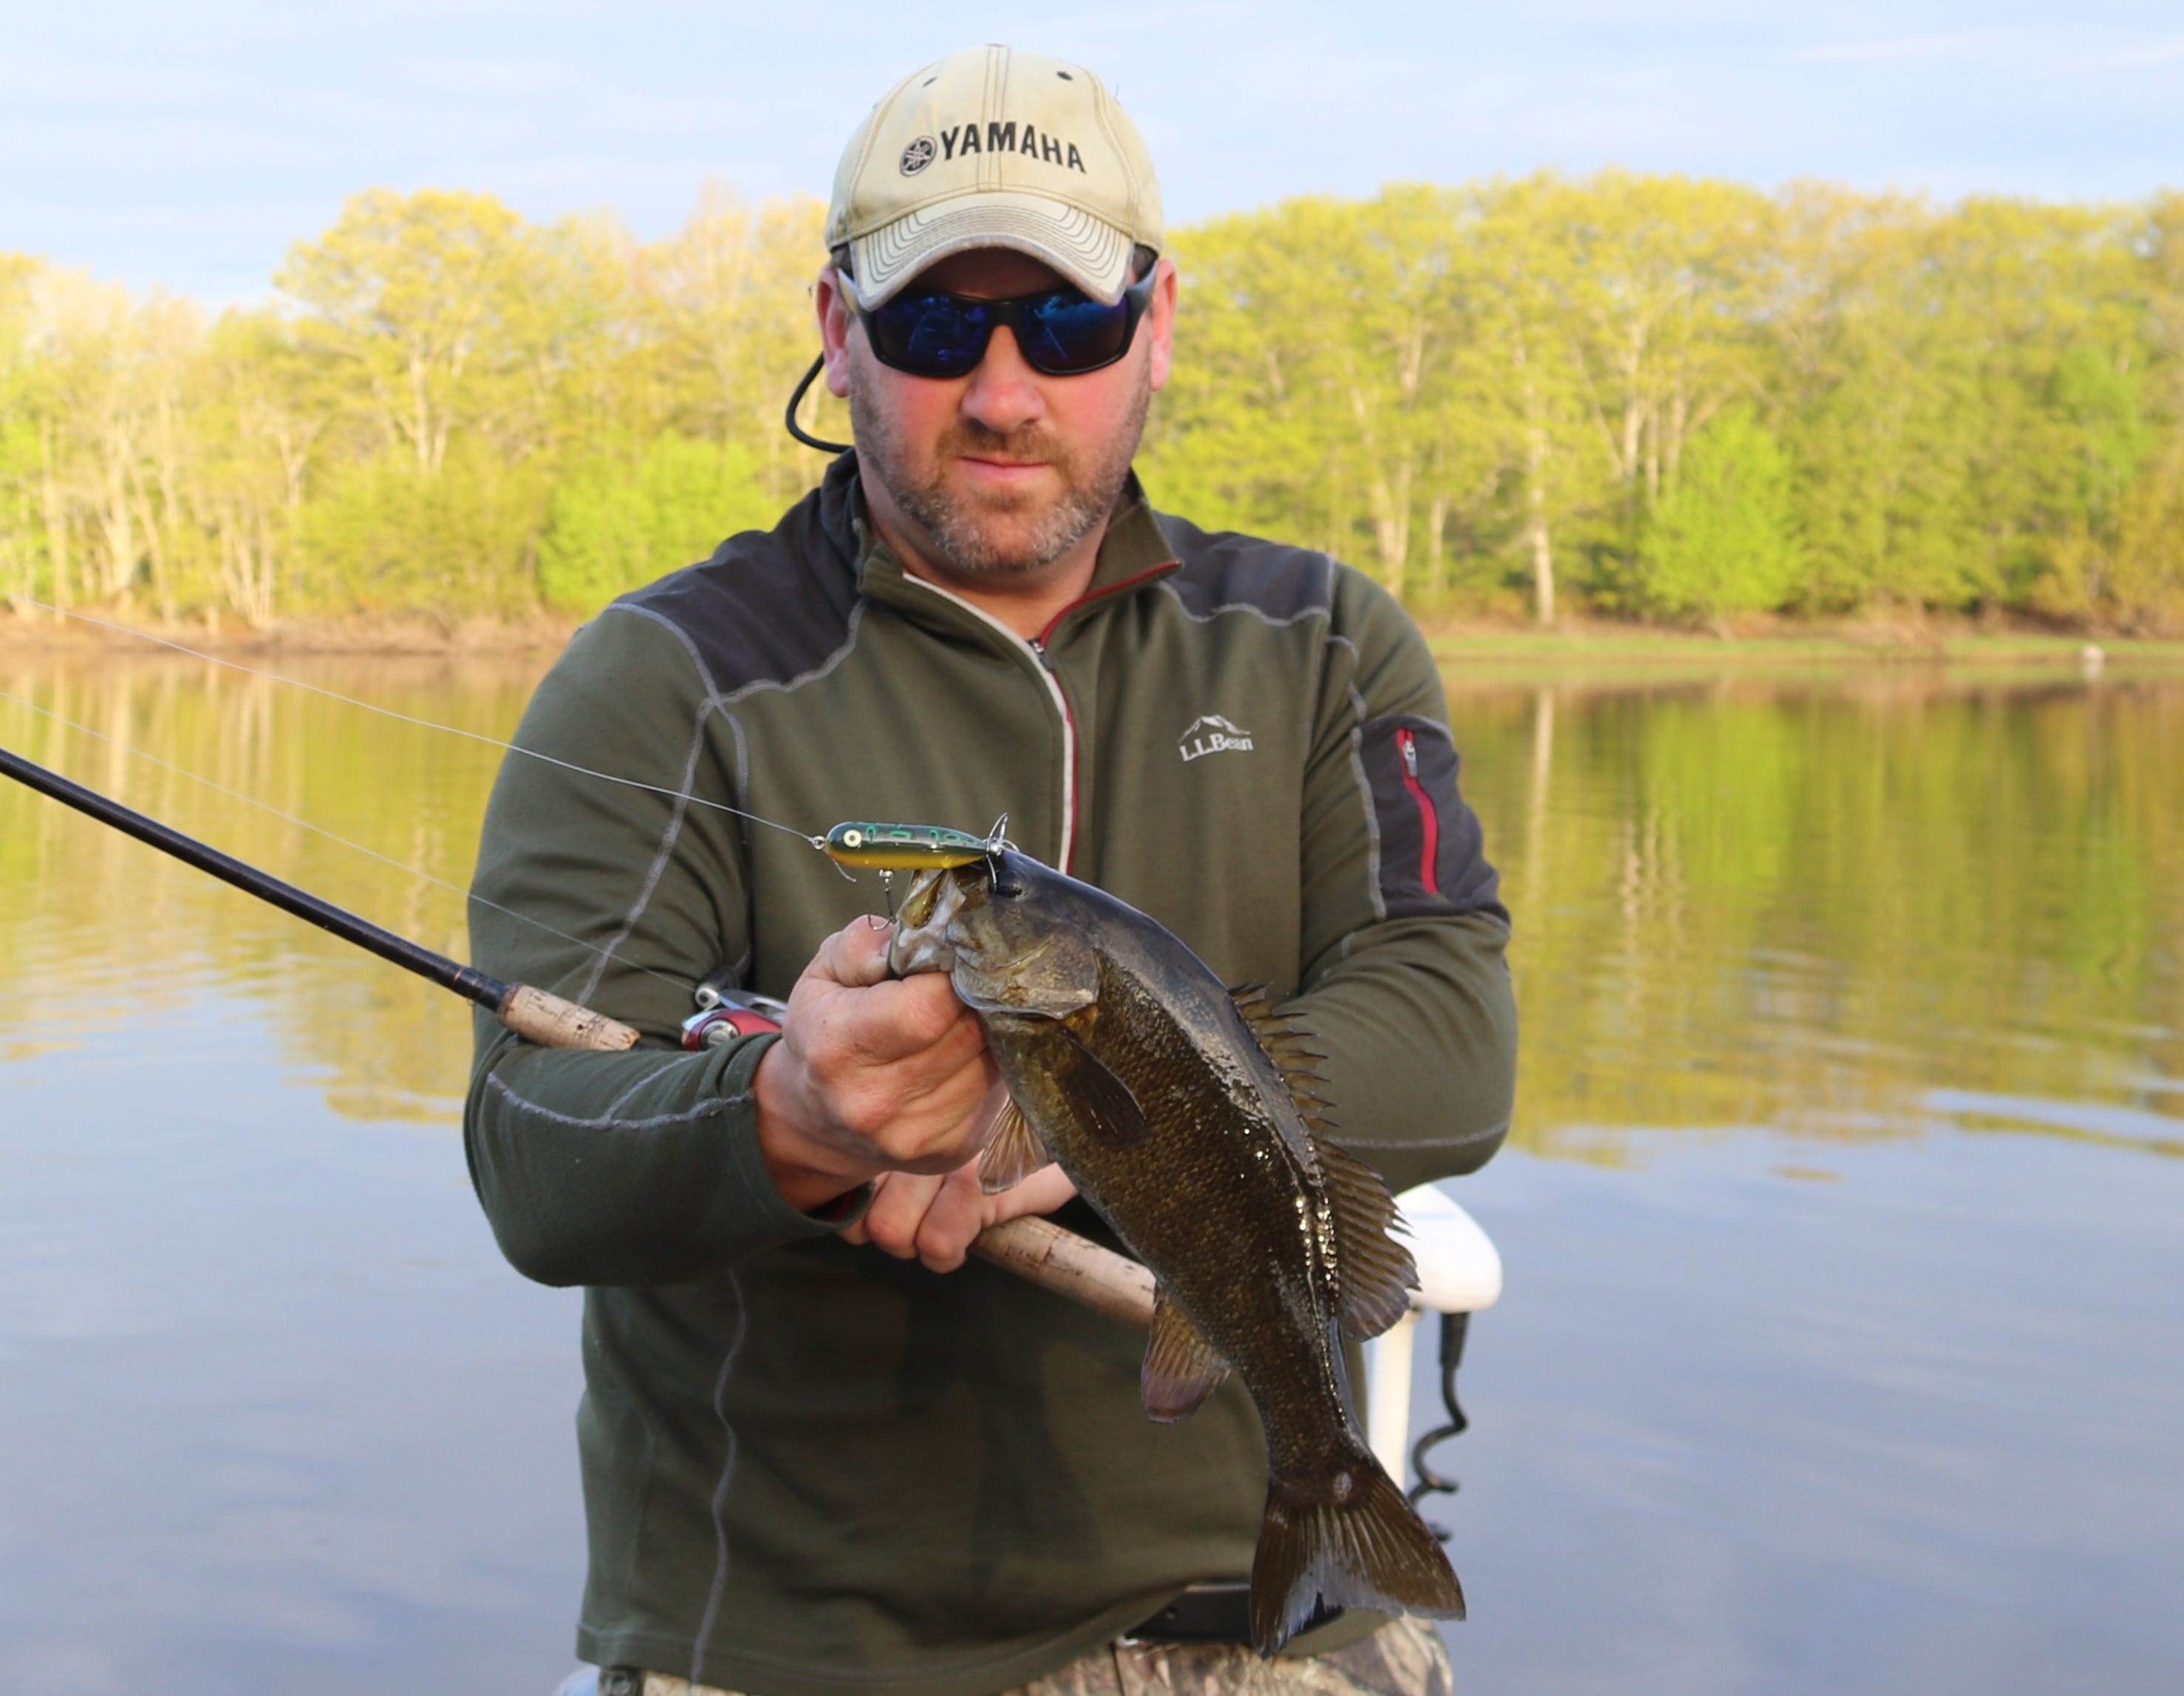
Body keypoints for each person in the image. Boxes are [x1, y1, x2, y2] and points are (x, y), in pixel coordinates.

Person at [463, 44, 1516, 1696]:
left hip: (1269, 1629)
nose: (1007, 390)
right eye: (940, 326)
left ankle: (1326, 1511)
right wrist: (788, 1119)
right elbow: (532, 1146)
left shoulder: (1322, 644)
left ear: (1155, 325)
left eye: (1072, 323)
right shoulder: (667, 672)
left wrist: (1126, 1109)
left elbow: (1456, 1036)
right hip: (805, 1648)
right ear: (839, 331)